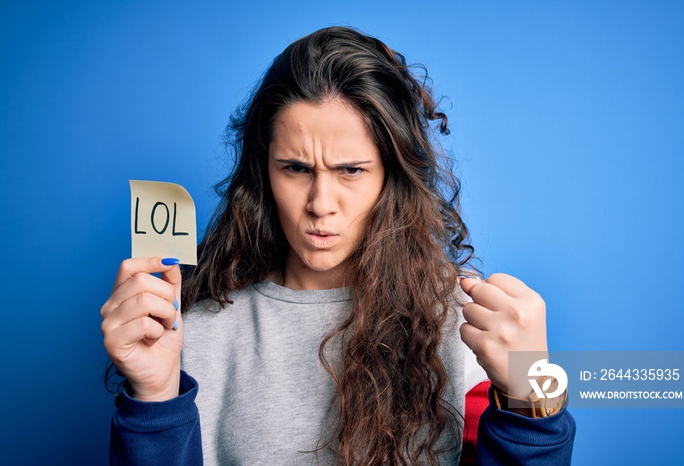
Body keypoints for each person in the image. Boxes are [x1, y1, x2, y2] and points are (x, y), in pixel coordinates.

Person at [101, 26, 575, 465]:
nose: (320, 204)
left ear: (392, 178)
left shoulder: (463, 325)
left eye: (350, 170)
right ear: (263, 173)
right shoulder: (194, 333)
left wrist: (531, 397)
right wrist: (156, 396)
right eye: (295, 168)